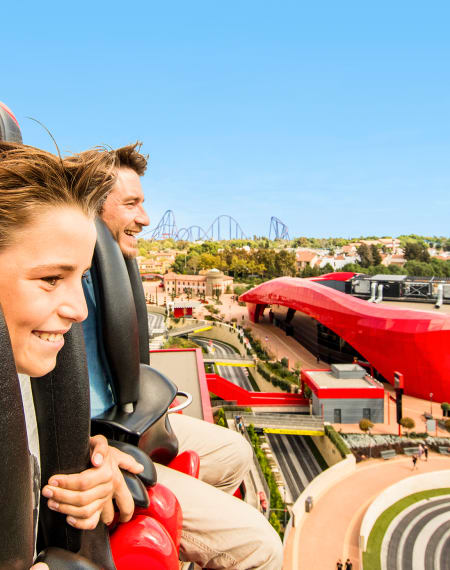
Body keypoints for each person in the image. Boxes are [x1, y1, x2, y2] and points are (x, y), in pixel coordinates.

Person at [79, 143, 284, 568]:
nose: (145, 218)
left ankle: (190, 544)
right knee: (262, 548)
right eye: (131, 204)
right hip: (99, 442)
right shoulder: (65, 283)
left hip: (125, 422)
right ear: (92, 208)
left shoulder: (106, 271)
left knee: (235, 452)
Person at [0, 142, 144, 567]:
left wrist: (92, 460)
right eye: (49, 279)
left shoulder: (27, 384)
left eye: (80, 278)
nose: (79, 310)